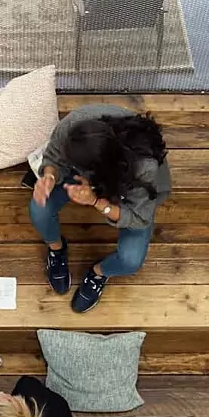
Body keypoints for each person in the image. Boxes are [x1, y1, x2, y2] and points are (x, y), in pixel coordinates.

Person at [29, 105, 170, 312]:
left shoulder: (145, 166)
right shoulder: (74, 126)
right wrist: (49, 176)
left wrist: (96, 202)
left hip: (129, 187)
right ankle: (57, 249)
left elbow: (139, 218)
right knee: (39, 208)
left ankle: (98, 272)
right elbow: (53, 156)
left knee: (131, 261)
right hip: (95, 170)